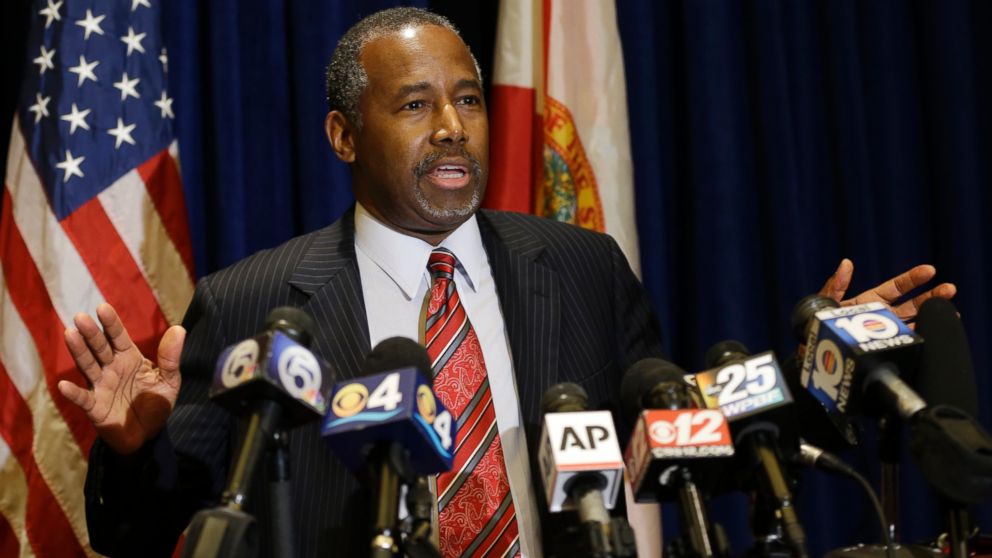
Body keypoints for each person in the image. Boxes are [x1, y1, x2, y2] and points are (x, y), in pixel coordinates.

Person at [57, 7, 956, 558]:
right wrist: (137, 451)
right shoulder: (255, 301)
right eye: (415, 104)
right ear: (342, 135)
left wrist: (822, 368)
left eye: (470, 99)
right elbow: (137, 532)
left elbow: (679, 441)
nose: (453, 127)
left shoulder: (578, 267)